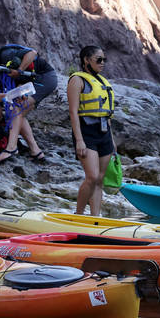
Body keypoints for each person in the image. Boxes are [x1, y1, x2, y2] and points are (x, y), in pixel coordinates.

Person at [67, 46, 114, 216]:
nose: (102, 63)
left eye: (104, 60)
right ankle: (78, 215)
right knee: (92, 177)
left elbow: (107, 113)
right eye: (98, 59)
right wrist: (79, 139)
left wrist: (112, 141)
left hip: (104, 132)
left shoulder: (101, 81)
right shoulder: (77, 80)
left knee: (100, 179)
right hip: (87, 132)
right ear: (86, 60)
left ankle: (95, 218)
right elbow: (73, 112)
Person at [0, 42, 56, 164]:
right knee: (18, 114)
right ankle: (36, 151)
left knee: (15, 106)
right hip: (33, 81)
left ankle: (11, 147)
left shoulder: (5, 54)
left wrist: (19, 70)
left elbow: (32, 53)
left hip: (43, 77)